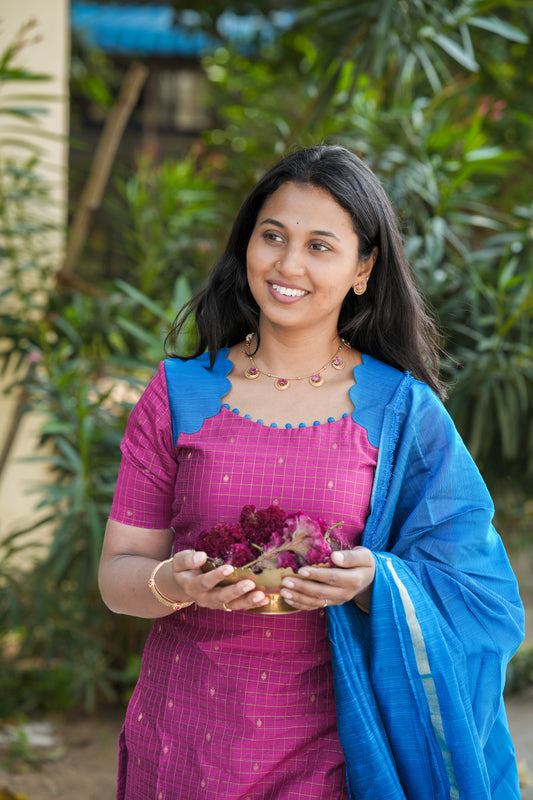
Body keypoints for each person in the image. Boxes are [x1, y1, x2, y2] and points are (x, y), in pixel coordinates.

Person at [98, 144, 524, 800]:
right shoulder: (177, 392)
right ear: (247, 245)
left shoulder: (400, 411)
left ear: (363, 267)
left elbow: (479, 595)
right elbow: (118, 575)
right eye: (272, 236)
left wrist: (373, 582)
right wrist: (171, 581)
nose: (287, 264)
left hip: (340, 757)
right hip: (184, 745)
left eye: (319, 245)